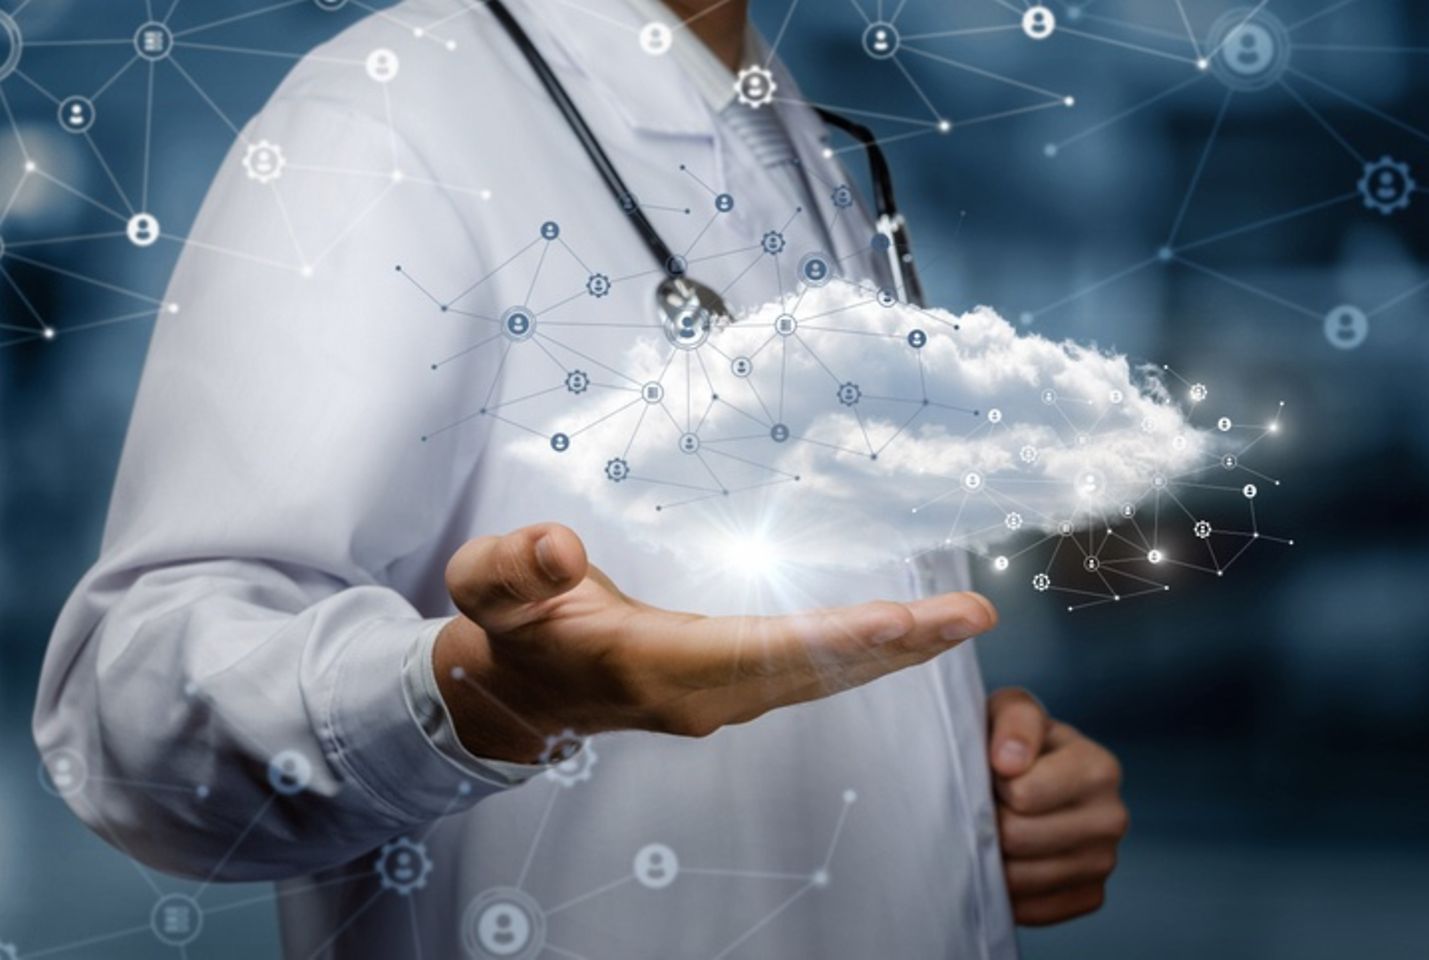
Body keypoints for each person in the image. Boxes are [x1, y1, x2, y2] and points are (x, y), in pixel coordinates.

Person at [33, 1, 1127, 957]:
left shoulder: (797, 144)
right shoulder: (383, 122)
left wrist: (974, 806)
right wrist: (485, 697)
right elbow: (135, 713)